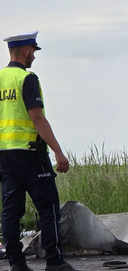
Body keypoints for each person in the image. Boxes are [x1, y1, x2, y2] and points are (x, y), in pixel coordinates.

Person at [0, 31, 78, 271]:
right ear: (25, 51)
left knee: (10, 212)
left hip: (5, 156)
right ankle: (54, 262)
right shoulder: (27, 78)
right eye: (33, 51)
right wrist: (58, 151)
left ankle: (17, 264)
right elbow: (37, 119)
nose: (34, 56)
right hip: (31, 154)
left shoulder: (0, 78)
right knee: (49, 208)